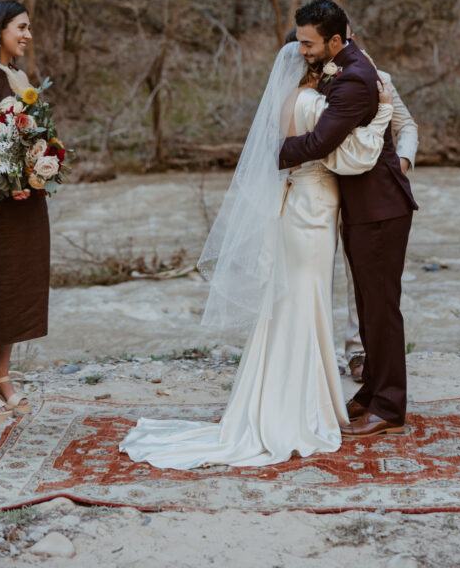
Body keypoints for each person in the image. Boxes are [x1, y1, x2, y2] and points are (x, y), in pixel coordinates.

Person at [120, 41, 394, 468]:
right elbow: (340, 152)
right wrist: (380, 115)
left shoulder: (295, 97)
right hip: (312, 204)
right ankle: (300, 409)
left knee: (298, 300)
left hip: (304, 203)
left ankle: (293, 398)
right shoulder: (312, 101)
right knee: (307, 298)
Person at [279, 0, 418, 438]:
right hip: (362, 208)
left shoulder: (356, 77)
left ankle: (391, 407)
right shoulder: (345, 67)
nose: (302, 50)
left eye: (308, 43)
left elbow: (320, 142)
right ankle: (373, 390)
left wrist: (267, 155)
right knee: (367, 306)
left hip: (379, 208)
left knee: (381, 310)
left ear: (336, 40)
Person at [0, 1, 49, 425]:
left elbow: (32, 133)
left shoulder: (19, 78)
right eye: (21, 27)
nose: (27, 35)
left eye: (29, 28)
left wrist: (40, 159)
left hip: (26, 201)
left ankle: (2, 375)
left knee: (22, 283)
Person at [342, 22, 418, 384]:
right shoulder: (306, 85)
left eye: (351, 36)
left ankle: (361, 351)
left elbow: (408, 126)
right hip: (321, 195)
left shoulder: (378, 77)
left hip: (371, 195)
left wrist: (400, 164)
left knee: (369, 283)